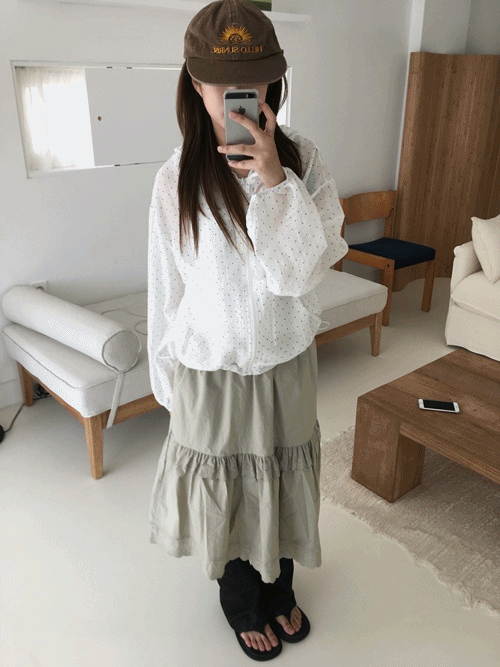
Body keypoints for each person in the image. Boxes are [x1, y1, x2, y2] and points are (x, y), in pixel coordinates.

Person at [147, 0, 347, 661]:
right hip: (211, 368)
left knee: (282, 485)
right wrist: (166, 376)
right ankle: (241, 604)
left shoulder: (304, 160)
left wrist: (275, 180)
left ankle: (280, 590)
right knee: (228, 496)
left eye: (255, 80)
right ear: (195, 82)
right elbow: (167, 285)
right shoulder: (174, 177)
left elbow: (300, 276)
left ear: (273, 81)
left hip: (285, 359)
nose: (241, 94)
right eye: (223, 82)